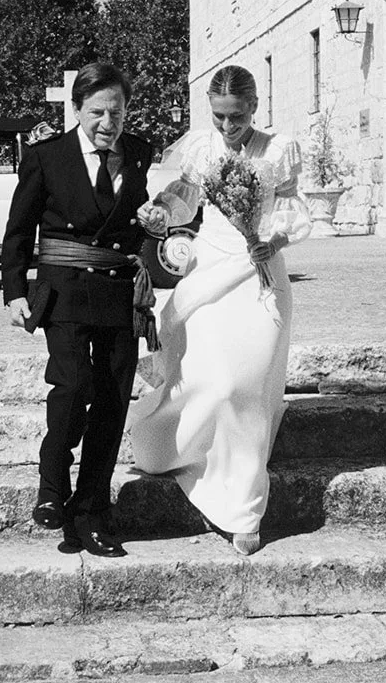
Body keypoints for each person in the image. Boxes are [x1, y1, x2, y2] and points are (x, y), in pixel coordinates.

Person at [128, 63, 311, 555]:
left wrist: (272, 238)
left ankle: (245, 506)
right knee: (214, 379)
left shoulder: (278, 150)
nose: (228, 128)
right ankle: (177, 446)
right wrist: (161, 210)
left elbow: (293, 208)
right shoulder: (203, 147)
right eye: (220, 117)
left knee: (247, 386)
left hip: (261, 273)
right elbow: (186, 199)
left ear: (254, 107)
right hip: (211, 268)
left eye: (236, 116)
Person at [1, 62, 155, 558]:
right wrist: (14, 291)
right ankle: (52, 487)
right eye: (96, 112)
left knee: (111, 400)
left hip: (116, 291)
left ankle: (91, 513)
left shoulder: (139, 154)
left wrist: (159, 226)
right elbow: (19, 231)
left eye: (117, 111)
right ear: (77, 110)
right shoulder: (48, 157)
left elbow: (134, 222)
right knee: (73, 387)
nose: (108, 122)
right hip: (64, 290)